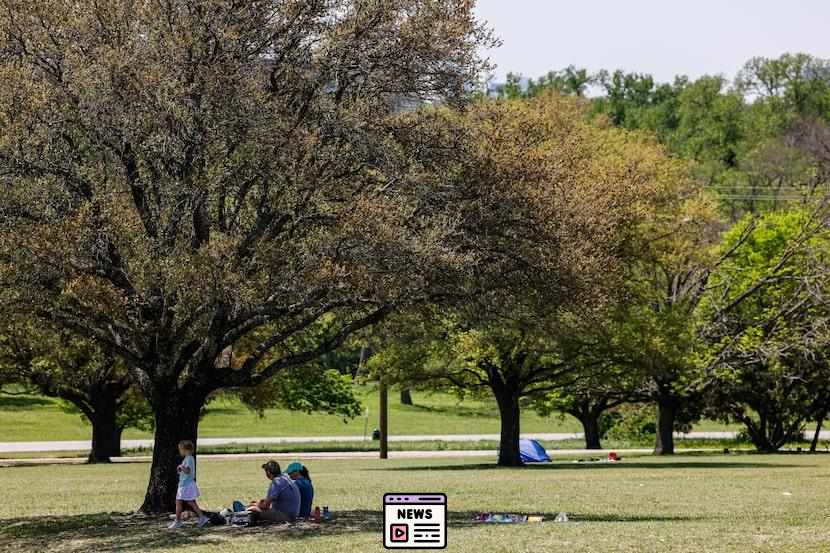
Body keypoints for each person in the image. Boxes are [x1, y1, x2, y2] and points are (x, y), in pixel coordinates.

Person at [168, 440, 209, 529]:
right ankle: (202, 517)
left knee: (179, 502)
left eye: (180, 449)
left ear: (186, 450)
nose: (180, 451)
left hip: (186, 485)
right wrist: (180, 469)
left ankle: (178, 521)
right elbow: (186, 471)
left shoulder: (189, 458)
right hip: (184, 484)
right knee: (189, 502)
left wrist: (182, 467)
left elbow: (188, 471)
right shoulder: (187, 458)